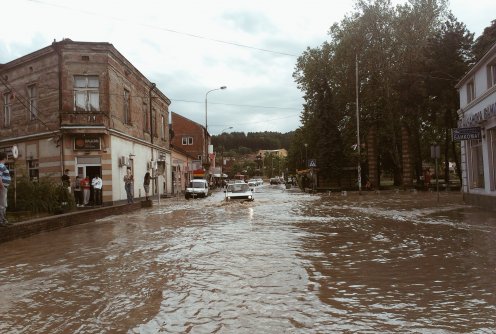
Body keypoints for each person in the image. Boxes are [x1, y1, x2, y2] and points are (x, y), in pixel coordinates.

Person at [0, 152, 12, 227]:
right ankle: (2, 221)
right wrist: (2, 186)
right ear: (5, 158)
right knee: (2, 204)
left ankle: (3, 220)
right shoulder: (1, 165)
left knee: (3, 204)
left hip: (3, 187)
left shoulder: (2, 165)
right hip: (2, 187)